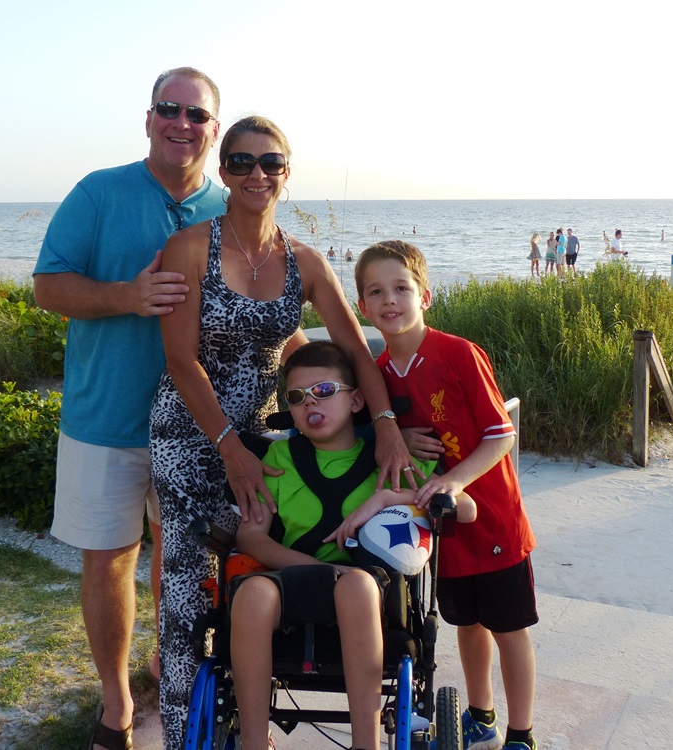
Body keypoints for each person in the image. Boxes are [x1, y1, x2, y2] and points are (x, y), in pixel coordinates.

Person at [149, 115, 420, 750]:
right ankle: (194, 733)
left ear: (286, 174)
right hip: (192, 434)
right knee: (188, 589)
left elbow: (357, 352)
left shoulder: (305, 262)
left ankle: (256, 717)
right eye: (240, 162)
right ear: (223, 172)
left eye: (269, 162)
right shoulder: (192, 247)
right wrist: (228, 446)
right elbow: (179, 361)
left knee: (249, 567)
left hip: (269, 433)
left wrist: (386, 426)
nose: (255, 174)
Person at [32, 66, 224, 750]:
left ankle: (165, 665)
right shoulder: (99, 192)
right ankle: (116, 704)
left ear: (213, 128)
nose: (182, 123)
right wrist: (127, 296)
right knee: (110, 559)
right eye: (168, 110)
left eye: (196, 114)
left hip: (197, 424)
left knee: (182, 559)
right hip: (105, 418)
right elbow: (48, 287)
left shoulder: (231, 208)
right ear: (148, 120)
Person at [232, 341, 477, 750]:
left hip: (368, 588)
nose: (311, 402)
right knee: (252, 594)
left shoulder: (390, 457)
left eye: (325, 391)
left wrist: (387, 497)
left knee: (357, 587)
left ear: (357, 399)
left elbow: (464, 509)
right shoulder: (279, 457)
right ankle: (254, 742)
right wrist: (312, 568)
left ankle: (367, 744)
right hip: (292, 576)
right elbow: (251, 537)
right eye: (297, 397)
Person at [355, 240, 539, 750]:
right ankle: (481, 715)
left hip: (493, 519)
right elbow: (374, 433)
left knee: (509, 627)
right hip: (436, 524)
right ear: (363, 307)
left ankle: (521, 732)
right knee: (466, 622)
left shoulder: (457, 352)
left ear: (425, 296)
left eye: (401, 288)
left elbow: (502, 433)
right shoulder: (378, 376)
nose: (390, 300)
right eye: (376, 292)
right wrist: (390, 435)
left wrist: (456, 479)